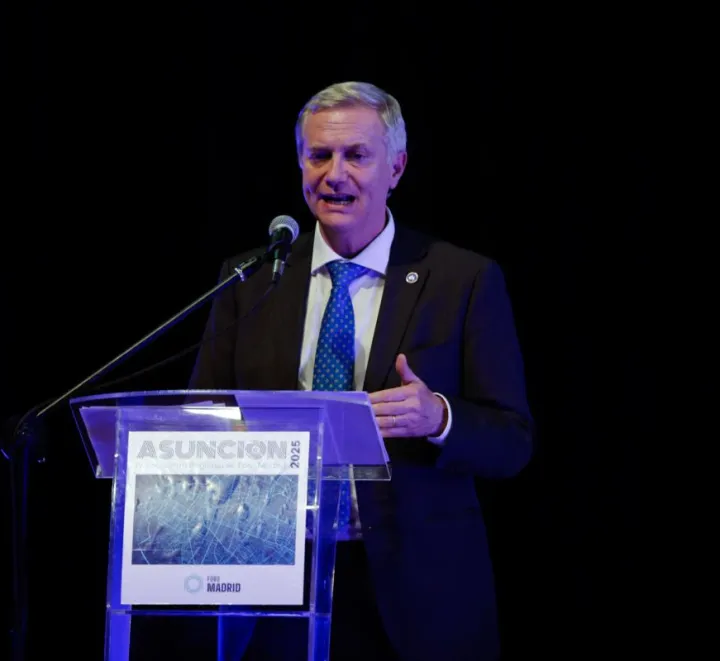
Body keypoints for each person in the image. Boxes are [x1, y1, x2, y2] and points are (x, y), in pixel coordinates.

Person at [187, 81, 534, 660]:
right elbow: (203, 418)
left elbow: (513, 440)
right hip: (273, 581)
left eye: (357, 155)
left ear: (395, 167)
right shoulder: (250, 280)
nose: (334, 174)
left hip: (414, 592)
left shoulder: (461, 280)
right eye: (319, 155)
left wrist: (439, 417)